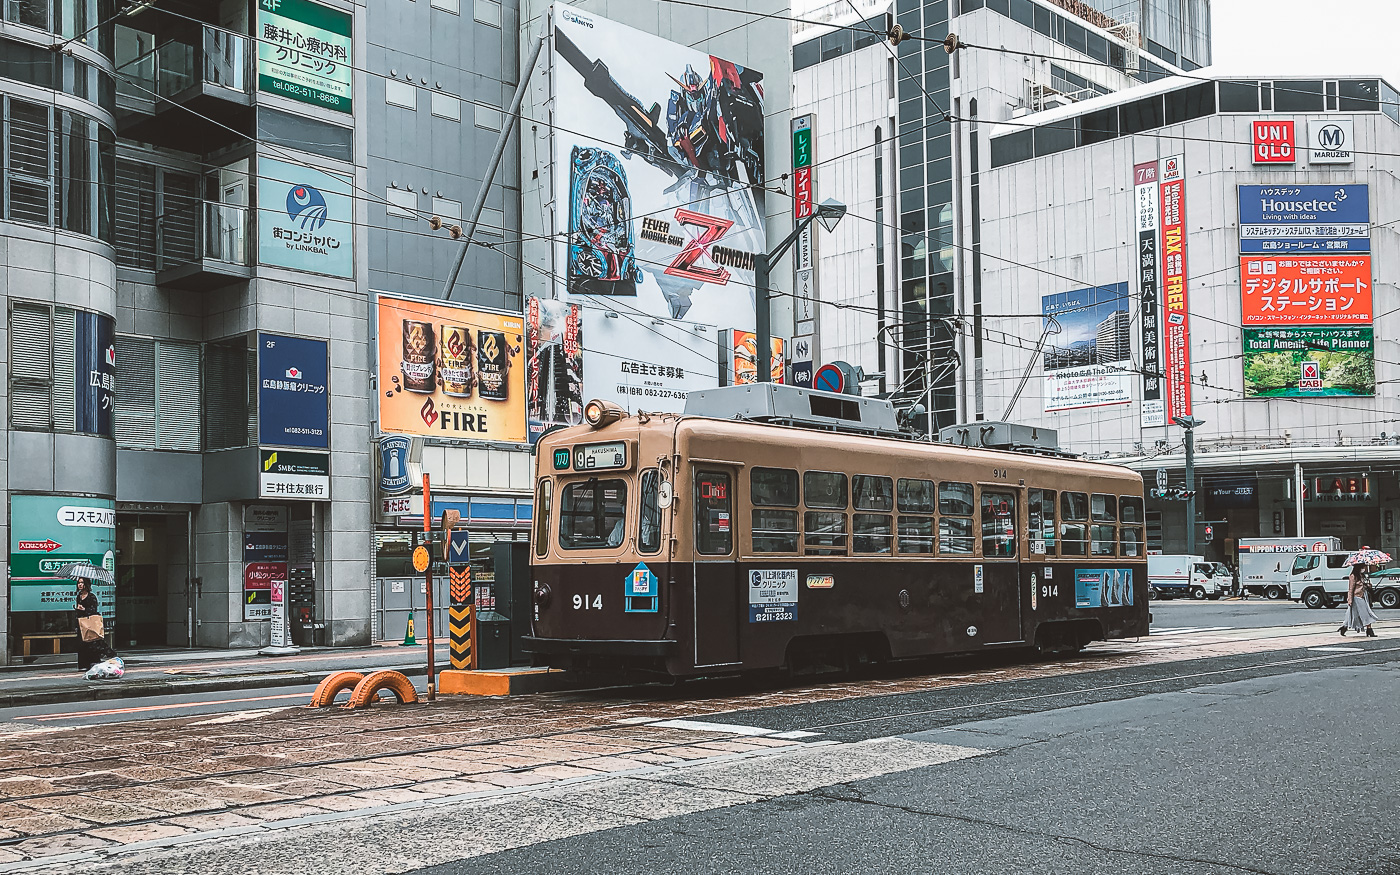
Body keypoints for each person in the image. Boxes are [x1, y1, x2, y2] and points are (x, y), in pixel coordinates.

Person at [1340, 564, 1379, 638]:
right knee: (1365, 614)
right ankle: (1369, 630)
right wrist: (1350, 599)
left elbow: (1363, 586)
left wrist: (1368, 585)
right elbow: (1351, 589)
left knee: (1352, 614)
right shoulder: (1353, 576)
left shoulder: (1362, 576)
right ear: (1359, 567)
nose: (1364, 569)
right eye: (1363, 567)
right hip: (1356, 597)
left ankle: (1344, 627)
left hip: (1363, 596)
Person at [74, 579, 105, 670]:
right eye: (79, 583)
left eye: (82, 583)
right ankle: (83, 665)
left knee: (91, 643)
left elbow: (94, 611)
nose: (80, 585)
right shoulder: (78, 597)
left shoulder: (92, 597)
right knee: (81, 644)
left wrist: (84, 610)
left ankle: (93, 663)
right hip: (82, 624)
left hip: (90, 624)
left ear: (86, 584)